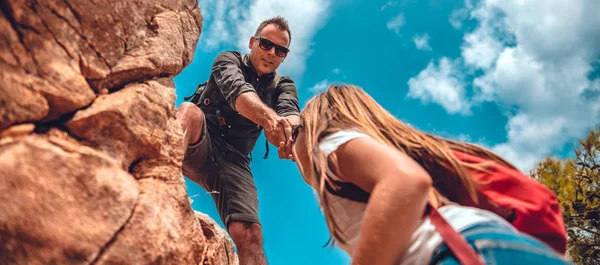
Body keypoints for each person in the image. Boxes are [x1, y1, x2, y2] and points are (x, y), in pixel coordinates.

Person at [290, 84, 572, 265]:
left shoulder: (329, 143)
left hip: (456, 253)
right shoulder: (357, 160)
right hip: (485, 244)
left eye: (295, 132)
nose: (291, 144)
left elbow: (406, 181)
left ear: (312, 127)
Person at [176, 16, 299, 265]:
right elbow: (239, 94)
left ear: (284, 56)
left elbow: (290, 117)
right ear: (253, 42)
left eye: (280, 49)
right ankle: (158, 178)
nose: (272, 53)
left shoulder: (283, 85)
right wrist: (272, 121)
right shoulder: (227, 59)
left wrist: (290, 137)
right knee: (188, 111)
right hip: (200, 138)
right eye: (266, 44)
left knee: (251, 234)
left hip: (234, 159)